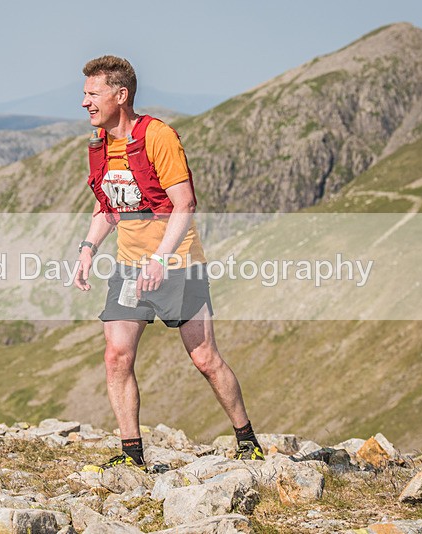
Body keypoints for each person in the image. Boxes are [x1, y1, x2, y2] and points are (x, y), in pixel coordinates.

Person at [74, 55, 263, 470]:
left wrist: (161, 259)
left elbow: (185, 203)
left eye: (92, 94)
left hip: (178, 265)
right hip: (128, 266)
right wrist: (88, 249)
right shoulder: (100, 145)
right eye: (84, 94)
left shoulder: (159, 137)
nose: (84, 102)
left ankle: (246, 439)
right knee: (116, 356)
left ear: (120, 95)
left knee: (205, 360)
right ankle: (132, 456)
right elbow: (107, 206)